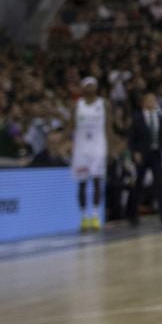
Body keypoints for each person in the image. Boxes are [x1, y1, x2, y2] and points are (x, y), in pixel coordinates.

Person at [128, 91, 162, 229]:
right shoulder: (137, 118)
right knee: (139, 185)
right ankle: (133, 214)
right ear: (144, 103)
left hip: (156, 154)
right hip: (142, 155)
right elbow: (131, 139)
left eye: (153, 100)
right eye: (149, 100)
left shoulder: (160, 118)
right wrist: (135, 152)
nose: (152, 102)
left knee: (159, 185)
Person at [71, 76, 108, 233]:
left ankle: (95, 215)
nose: (90, 88)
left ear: (97, 87)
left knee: (97, 181)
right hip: (81, 148)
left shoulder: (103, 104)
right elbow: (70, 126)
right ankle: (83, 217)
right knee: (82, 183)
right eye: (87, 85)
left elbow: (109, 127)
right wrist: (62, 141)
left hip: (98, 146)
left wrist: (111, 147)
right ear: (83, 88)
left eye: (92, 85)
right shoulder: (77, 106)